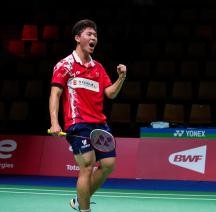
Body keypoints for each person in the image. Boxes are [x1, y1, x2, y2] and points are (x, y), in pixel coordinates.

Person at [48, 19, 127, 212]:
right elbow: (55, 94)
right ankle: (85, 210)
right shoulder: (65, 65)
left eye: (95, 35)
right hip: (78, 122)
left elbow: (110, 93)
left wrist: (122, 77)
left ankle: (79, 199)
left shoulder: (98, 68)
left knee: (109, 164)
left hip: (99, 122)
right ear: (77, 38)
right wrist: (54, 122)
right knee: (87, 167)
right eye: (89, 34)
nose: (93, 38)